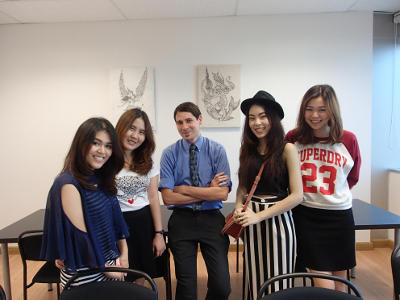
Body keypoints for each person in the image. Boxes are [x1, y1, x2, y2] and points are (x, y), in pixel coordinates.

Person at [285, 84, 361, 292]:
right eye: (309, 109)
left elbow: (352, 177)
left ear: (332, 111)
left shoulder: (348, 139)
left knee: (341, 277)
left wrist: (332, 194)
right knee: (321, 278)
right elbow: (285, 173)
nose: (314, 115)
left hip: (340, 215)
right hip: (307, 215)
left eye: (321, 109)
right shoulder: (293, 137)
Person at [41, 117, 129, 287]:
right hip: (86, 274)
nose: (102, 151)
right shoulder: (67, 183)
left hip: (110, 264)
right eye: (96, 143)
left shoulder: (102, 177)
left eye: (108, 146)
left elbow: (116, 223)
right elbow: (83, 240)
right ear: (81, 144)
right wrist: (108, 270)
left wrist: (124, 254)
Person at [234, 90, 303, 300]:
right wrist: (238, 205)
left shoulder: (287, 149)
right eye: (252, 118)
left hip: (278, 222)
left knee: (280, 278)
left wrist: (259, 216)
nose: (257, 123)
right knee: (253, 277)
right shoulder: (246, 149)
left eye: (263, 116)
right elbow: (242, 187)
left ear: (273, 118)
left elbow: (297, 196)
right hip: (251, 221)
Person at [159, 102, 232, 300]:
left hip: (212, 220)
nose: (184, 127)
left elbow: (222, 194)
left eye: (189, 120)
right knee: (186, 287)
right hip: (181, 221)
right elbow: (167, 197)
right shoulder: (169, 154)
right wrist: (208, 189)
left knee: (222, 286)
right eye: (179, 122)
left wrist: (184, 189)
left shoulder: (217, 150)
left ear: (200, 120)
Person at [115, 108, 166, 284]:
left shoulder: (148, 159)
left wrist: (158, 234)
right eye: (131, 128)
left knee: (140, 276)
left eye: (142, 132)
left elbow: (153, 196)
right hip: (115, 223)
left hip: (143, 223)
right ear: (121, 128)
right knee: (117, 276)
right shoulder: (107, 159)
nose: (135, 135)